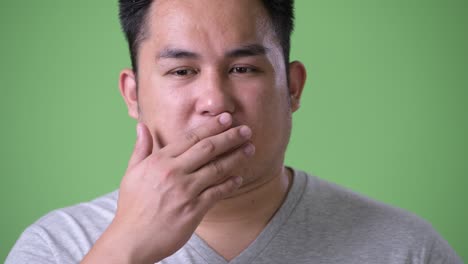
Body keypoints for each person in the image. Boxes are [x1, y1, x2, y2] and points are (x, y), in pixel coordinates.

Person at [6, 0, 462, 263]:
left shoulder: (406, 250)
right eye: (182, 71)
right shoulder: (58, 246)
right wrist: (125, 247)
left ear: (293, 88)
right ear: (133, 95)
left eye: (243, 68)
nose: (215, 101)